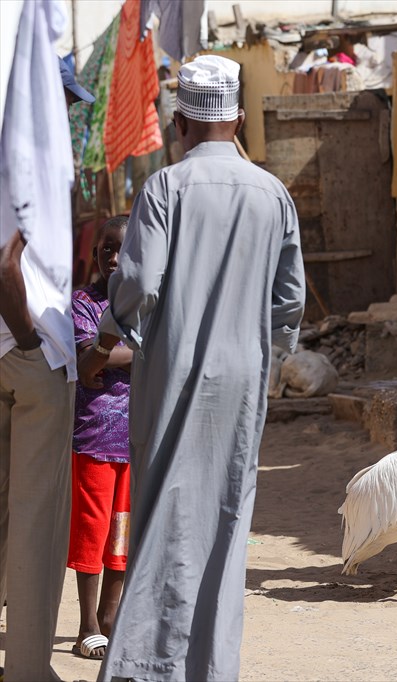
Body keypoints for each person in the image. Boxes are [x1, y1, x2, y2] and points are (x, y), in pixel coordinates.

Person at [79, 55, 306, 681]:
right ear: (236, 118)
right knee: (226, 518)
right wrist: (267, 352)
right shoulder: (273, 193)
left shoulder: (164, 189)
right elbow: (288, 303)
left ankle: (143, 666)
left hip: (173, 375)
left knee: (163, 512)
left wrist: (104, 340)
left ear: (179, 122)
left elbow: (137, 285)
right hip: (244, 380)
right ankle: (210, 666)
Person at [0, 39, 93, 680]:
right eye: (61, 101)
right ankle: (29, 668)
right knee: (35, 524)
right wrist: (29, 337)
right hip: (30, 354)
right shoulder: (28, 161)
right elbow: (6, 262)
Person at [67, 216, 131, 661]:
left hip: (138, 438)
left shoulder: (147, 304)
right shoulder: (83, 304)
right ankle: (86, 623)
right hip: (93, 437)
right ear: (95, 256)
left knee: (121, 532)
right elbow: (88, 362)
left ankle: (111, 619)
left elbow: (104, 358)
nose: (113, 257)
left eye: (122, 249)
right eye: (106, 249)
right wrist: (141, 352)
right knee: (92, 530)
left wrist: (112, 355)